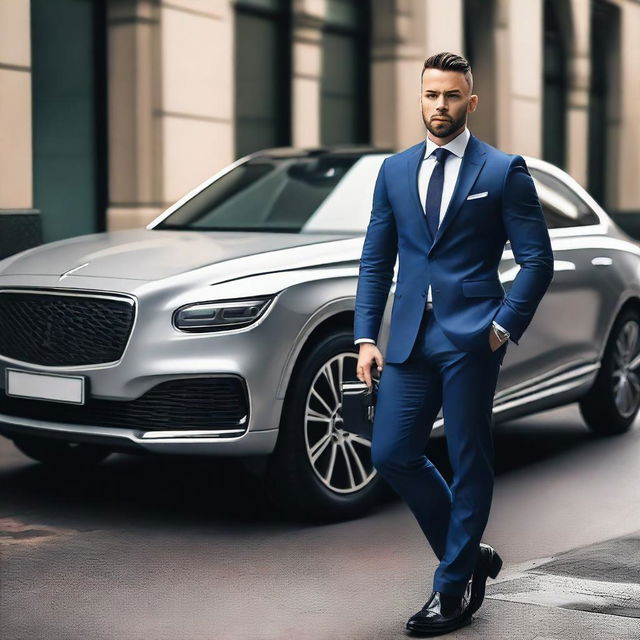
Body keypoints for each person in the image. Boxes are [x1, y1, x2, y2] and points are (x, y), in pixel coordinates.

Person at [354, 51, 554, 636]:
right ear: (420, 98)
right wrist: (366, 335)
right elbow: (376, 258)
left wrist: (502, 327)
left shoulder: (502, 171)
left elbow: (538, 261)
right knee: (391, 452)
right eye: (430, 94)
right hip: (410, 336)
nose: (439, 105)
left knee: (469, 459)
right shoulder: (394, 171)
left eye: (451, 96)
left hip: (473, 338)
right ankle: (469, 555)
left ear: (471, 101)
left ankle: (451, 590)